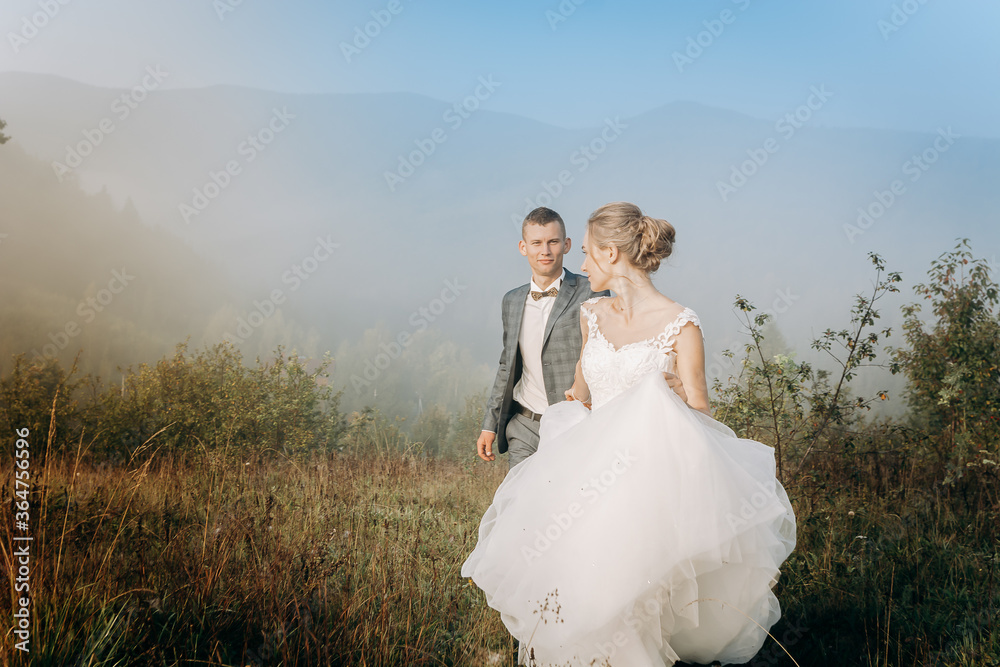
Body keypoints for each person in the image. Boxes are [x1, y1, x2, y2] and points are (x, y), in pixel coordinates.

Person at [462, 202, 797, 666]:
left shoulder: (682, 324)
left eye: (585, 253)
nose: (578, 264)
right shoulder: (592, 316)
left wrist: (673, 392)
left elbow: (701, 411)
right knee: (577, 588)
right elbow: (579, 394)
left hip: (647, 480)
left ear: (611, 254)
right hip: (588, 476)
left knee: (630, 596)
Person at [478, 206, 608, 470]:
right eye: (536, 243)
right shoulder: (511, 301)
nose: (545, 251)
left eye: (553, 242)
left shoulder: (593, 293)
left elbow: (603, 360)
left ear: (567, 244)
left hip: (574, 425)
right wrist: (489, 425)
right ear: (523, 247)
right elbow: (507, 364)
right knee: (519, 505)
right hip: (524, 425)